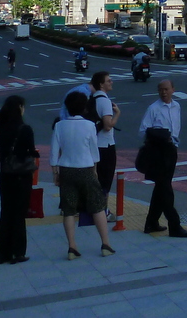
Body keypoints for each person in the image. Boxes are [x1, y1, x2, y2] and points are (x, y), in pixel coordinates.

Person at [50, 90, 115, 259]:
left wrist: (55, 173)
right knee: (97, 206)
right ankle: (105, 244)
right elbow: (94, 152)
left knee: (69, 210)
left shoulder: (59, 125)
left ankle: (72, 247)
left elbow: (53, 153)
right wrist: (94, 170)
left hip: (66, 170)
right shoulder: (89, 125)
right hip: (86, 169)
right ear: (84, 107)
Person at [138, 78, 187, 237]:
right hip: (158, 152)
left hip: (172, 150)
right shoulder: (153, 108)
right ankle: (174, 225)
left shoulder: (177, 106)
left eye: (166, 89)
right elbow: (142, 131)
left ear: (173, 90)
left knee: (161, 187)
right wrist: (160, 135)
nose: (163, 92)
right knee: (166, 189)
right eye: (161, 89)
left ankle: (151, 223)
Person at [0, 95, 37, 264]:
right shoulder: (25, 129)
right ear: (19, 107)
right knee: (19, 213)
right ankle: (17, 252)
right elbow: (30, 150)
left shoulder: (1, 127)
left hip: (6, 174)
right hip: (21, 175)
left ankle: (2, 253)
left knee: (6, 212)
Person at [89, 72, 120, 215]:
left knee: (95, 179)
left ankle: (94, 208)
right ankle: (103, 211)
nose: (111, 82)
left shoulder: (92, 99)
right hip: (105, 146)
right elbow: (108, 126)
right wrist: (117, 114)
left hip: (94, 145)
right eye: (109, 80)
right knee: (105, 180)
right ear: (101, 84)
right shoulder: (105, 101)